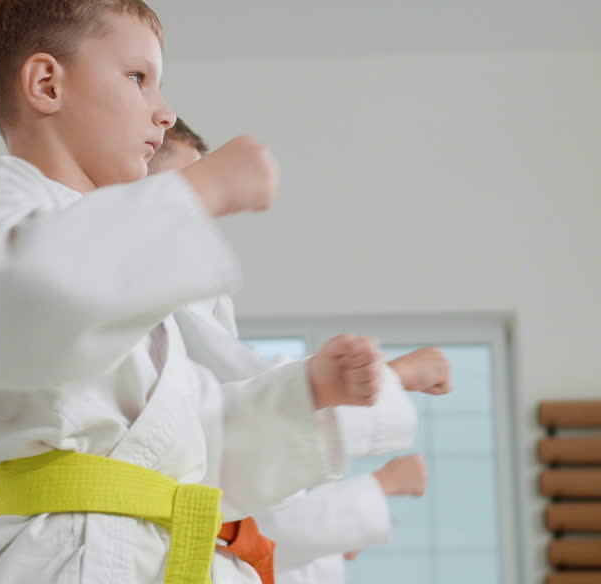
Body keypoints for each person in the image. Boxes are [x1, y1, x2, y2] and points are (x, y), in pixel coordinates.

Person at [0, 0, 389, 584]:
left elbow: (183, 437)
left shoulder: (110, 257)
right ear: (46, 83)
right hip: (67, 556)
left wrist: (304, 395)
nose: (165, 113)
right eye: (139, 78)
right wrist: (200, 188)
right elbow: (20, 301)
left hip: (153, 550)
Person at [150, 121, 452, 584]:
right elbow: (240, 400)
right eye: (184, 189)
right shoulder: (146, 289)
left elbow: (243, 405)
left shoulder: (195, 295)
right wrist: (393, 379)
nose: (199, 215)